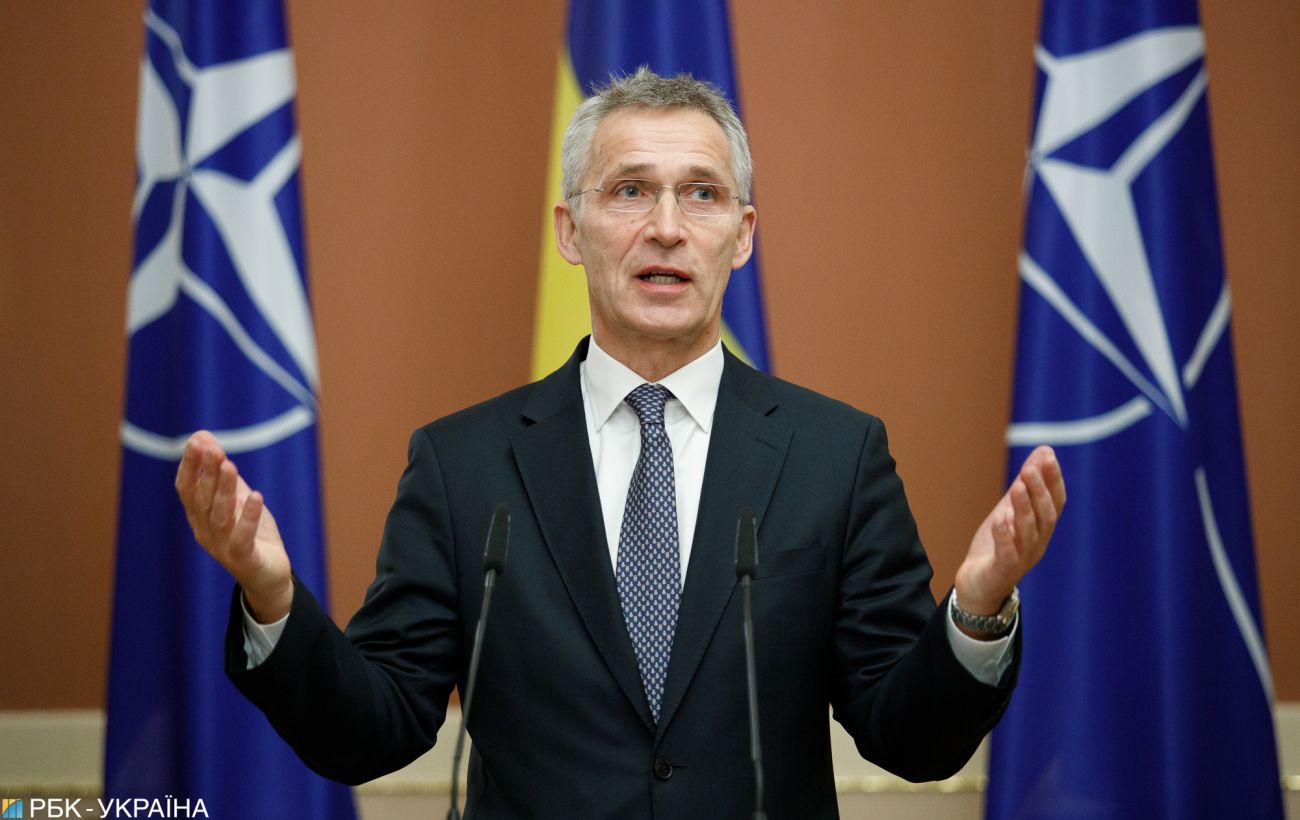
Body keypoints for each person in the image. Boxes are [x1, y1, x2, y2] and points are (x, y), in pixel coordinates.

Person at [175, 67, 1065, 819]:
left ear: (741, 236)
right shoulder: (463, 465)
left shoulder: (837, 456)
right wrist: (273, 599)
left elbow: (911, 740)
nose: (667, 227)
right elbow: (371, 731)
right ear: (571, 230)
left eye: (702, 194)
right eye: (630, 190)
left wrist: (977, 610)